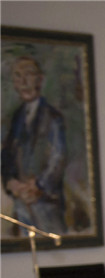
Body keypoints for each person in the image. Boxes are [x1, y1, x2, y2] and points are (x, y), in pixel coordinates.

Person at [1, 55, 68, 234]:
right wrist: (11, 183)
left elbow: (58, 158)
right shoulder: (15, 118)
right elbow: (6, 156)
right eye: (18, 76)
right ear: (14, 83)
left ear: (40, 79)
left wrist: (38, 185)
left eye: (29, 74)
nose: (24, 82)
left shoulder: (52, 117)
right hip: (21, 205)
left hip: (47, 206)